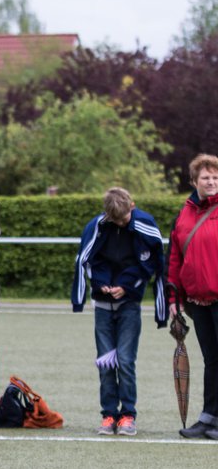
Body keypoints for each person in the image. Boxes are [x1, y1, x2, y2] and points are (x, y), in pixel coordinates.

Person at [73, 187, 166, 436]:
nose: (120, 222)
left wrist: (126, 287)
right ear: (107, 214)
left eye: (124, 218)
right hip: (103, 305)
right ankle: (108, 415)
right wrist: (101, 284)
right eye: (115, 219)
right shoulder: (97, 226)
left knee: (125, 361)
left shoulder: (145, 224)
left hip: (129, 305)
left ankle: (128, 415)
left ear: (132, 206)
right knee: (106, 363)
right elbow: (87, 259)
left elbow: (152, 263)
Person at [169, 153, 218, 440]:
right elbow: (175, 257)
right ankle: (208, 417)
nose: (211, 181)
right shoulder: (185, 213)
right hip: (198, 302)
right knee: (212, 361)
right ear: (194, 181)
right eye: (205, 177)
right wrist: (174, 299)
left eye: (215, 177)